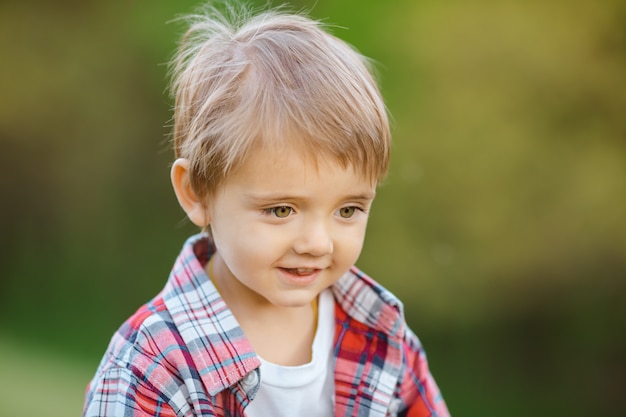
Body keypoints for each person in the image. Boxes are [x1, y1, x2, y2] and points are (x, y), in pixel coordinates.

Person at [83, 2, 449, 416]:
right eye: (281, 210)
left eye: (347, 210)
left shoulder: (381, 332)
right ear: (197, 192)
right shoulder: (153, 365)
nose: (317, 243)